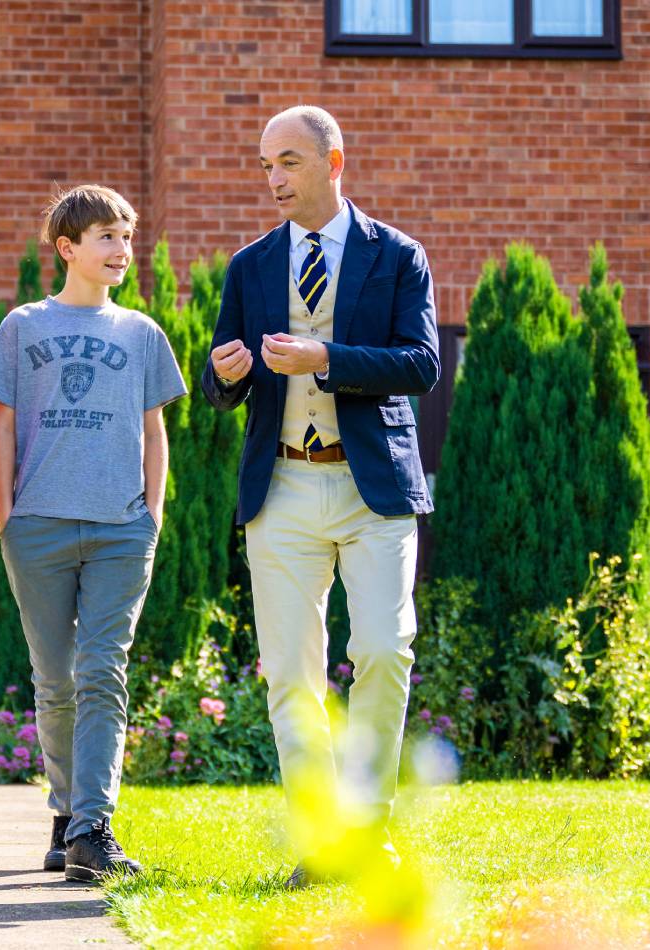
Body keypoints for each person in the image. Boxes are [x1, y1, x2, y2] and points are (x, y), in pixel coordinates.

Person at [199, 106, 439, 887]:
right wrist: (226, 375)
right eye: (265, 165)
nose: (274, 179)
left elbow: (422, 364)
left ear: (335, 162)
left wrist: (325, 356)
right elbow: (219, 382)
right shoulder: (251, 266)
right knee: (291, 673)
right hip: (284, 487)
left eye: (290, 162)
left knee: (381, 648)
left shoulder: (398, 256)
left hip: (373, 489)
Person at [0, 185, 185, 882]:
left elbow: (155, 432)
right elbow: (2, 425)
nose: (121, 250)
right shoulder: (22, 327)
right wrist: (8, 519)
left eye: (126, 237)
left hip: (121, 530)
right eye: (106, 236)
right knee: (55, 680)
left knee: (103, 671)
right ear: (67, 247)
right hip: (37, 528)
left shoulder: (142, 334)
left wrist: (151, 516)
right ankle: (66, 815)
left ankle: (93, 826)